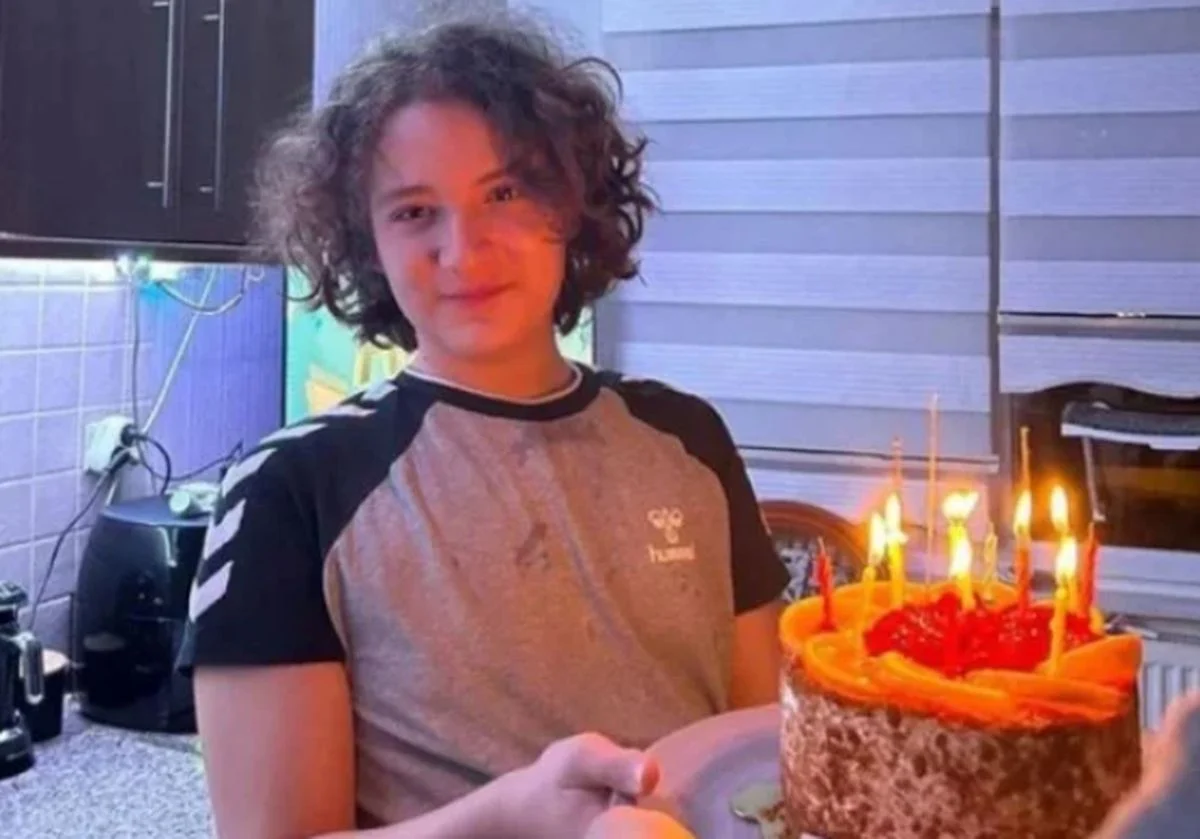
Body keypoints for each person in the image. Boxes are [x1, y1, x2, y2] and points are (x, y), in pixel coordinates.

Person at [176, 6, 788, 838]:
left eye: (503, 193)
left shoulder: (690, 441)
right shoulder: (289, 492)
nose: (463, 252)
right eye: (414, 211)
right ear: (367, 243)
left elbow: (766, 765)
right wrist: (507, 817)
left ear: (570, 204)